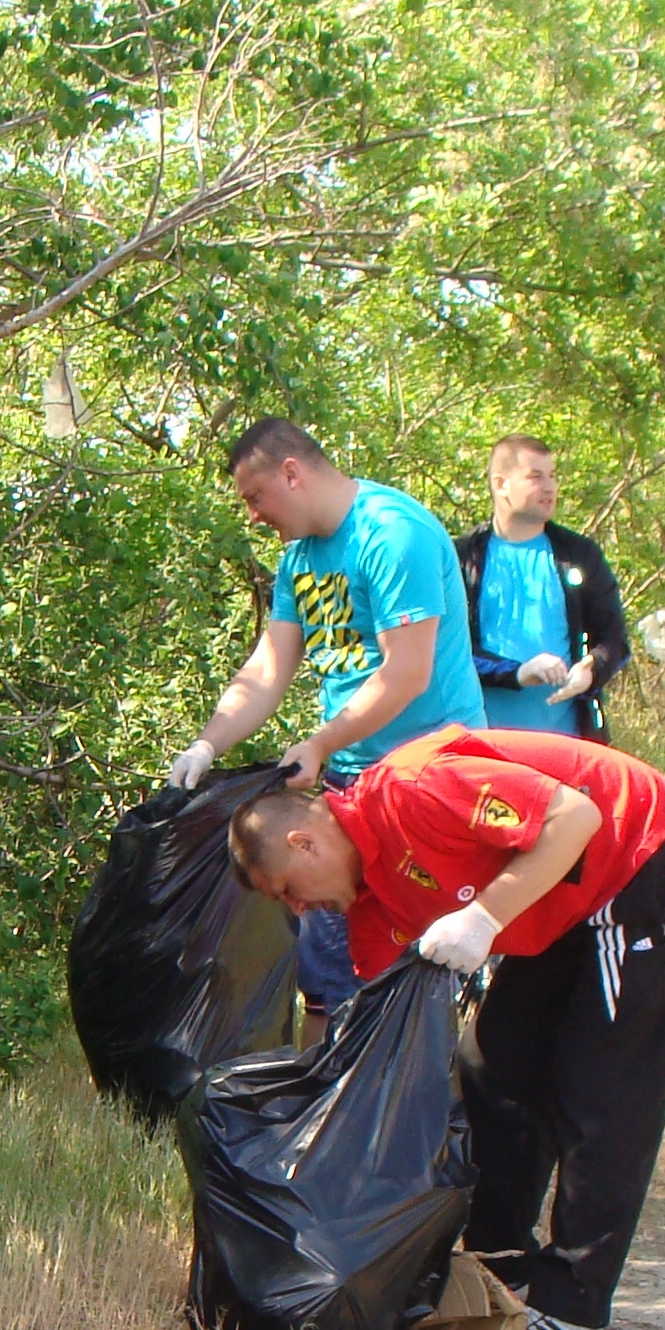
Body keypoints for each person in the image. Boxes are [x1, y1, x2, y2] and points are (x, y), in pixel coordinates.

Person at [225, 732, 665, 1330]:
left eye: (288, 890)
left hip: (639, 858)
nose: (299, 908)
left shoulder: (414, 791)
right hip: (555, 903)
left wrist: (485, 919)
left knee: (602, 1090)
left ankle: (576, 1307)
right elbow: (380, 1031)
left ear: (305, 841)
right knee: (490, 1068)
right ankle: (500, 1268)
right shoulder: (369, 903)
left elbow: (577, 817)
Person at [164, 418, 485, 1031]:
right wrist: (208, 743)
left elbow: (408, 672)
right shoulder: (299, 562)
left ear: (292, 472)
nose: (254, 516)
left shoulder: (393, 534)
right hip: (352, 787)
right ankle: (329, 1114)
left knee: (436, 962)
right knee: (331, 972)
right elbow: (267, 669)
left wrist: (319, 741)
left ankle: (444, 1110)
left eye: (255, 497)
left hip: (438, 779)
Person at [455, 435, 632, 741]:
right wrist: (517, 673)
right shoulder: (462, 558)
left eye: (552, 476)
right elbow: (446, 650)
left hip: (567, 742)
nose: (549, 487)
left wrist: (590, 669)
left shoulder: (579, 555)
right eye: (535, 477)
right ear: (501, 485)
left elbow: (614, 639)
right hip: (483, 741)